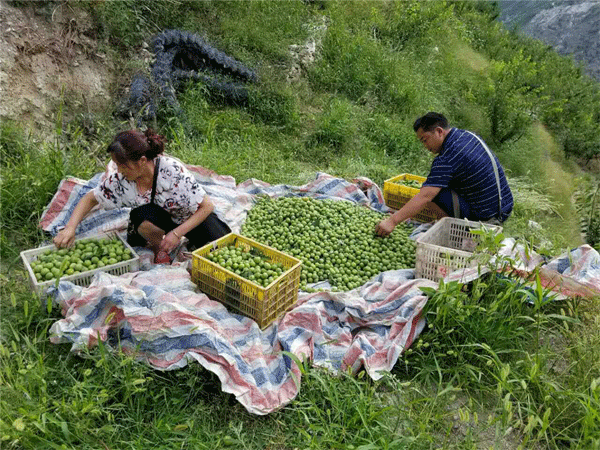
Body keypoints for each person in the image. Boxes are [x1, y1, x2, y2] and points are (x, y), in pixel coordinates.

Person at [54, 128, 231, 263]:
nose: (119, 170)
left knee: (223, 249)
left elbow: (207, 206)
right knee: (141, 216)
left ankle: (179, 240)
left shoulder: (171, 172)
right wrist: (70, 228)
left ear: (142, 161)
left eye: (123, 165)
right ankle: (159, 249)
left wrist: (177, 234)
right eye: (117, 165)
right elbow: (90, 198)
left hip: (188, 217)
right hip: (157, 219)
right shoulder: (121, 180)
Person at [375, 112, 513, 236]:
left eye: (425, 139)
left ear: (439, 131)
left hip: (487, 217)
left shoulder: (448, 156)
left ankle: (455, 233)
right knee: (436, 185)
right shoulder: (467, 135)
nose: (425, 146)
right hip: (503, 206)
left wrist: (392, 221)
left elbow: (425, 196)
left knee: (433, 193)